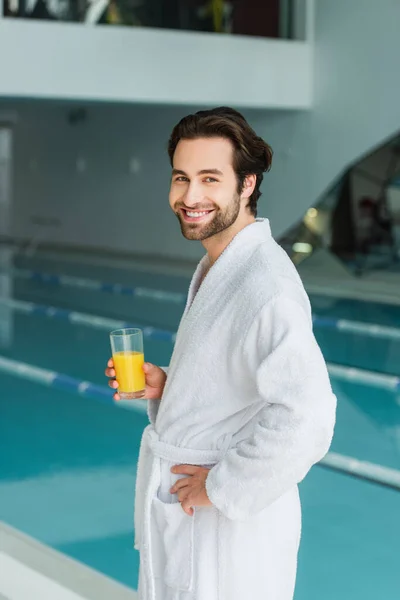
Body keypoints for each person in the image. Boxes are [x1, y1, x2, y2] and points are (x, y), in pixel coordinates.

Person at [105, 107, 337, 600]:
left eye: (210, 179)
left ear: (246, 184)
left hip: (226, 534)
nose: (190, 197)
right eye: (181, 178)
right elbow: (234, 382)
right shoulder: (223, 265)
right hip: (194, 522)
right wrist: (173, 387)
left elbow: (309, 416)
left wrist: (222, 487)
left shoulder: (264, 283)